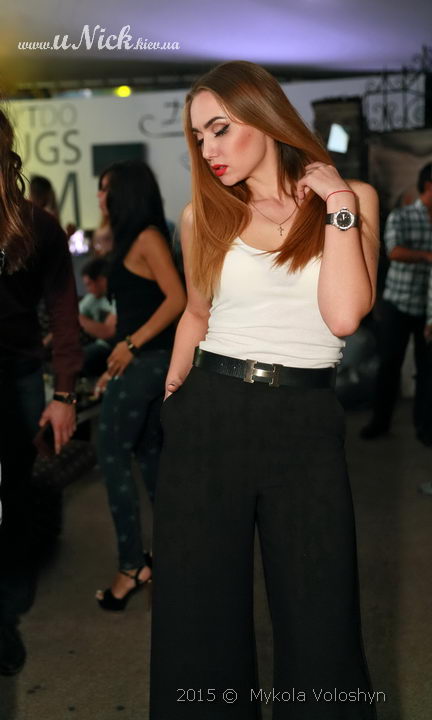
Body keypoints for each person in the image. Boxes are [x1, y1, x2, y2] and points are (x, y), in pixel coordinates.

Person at [149, 61, 379, 720]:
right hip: (210, 413)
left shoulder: (353, 199)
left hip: (305, 421)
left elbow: (344, 315)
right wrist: (173, 402)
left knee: (321, 610)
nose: (208, 149)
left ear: (266, 116)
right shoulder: (202, 216)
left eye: (219, 128)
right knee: (199, 617)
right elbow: (196, 315)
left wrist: (337, 204)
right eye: (199, 137)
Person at [0, 109, 82, 674]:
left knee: (15, 495)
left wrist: (66, 394)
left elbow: (64, 311)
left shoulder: (36, 226)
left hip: (19, 378)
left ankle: (7, 612)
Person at [94, 161, 186, 611]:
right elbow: (130, 311)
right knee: (149, 456)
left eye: (105, 189)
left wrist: (130, 345)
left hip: (149, 360)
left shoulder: (148, 237)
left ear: (126, 193)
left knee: (111, 454)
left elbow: (178, 298)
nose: (100, 197)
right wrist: (116, 360)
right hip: (142, 360)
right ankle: (177, 557)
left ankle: (132, 565)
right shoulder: (130, 238)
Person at [360, 162, 432, 444]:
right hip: (398, 304)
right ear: (428, 186)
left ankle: (424, 428)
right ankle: (380, 422)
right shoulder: (402, 216)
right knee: (389, 365)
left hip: (427, 309)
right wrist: (427, 257)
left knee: (427, 370)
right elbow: (394, 251)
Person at [79, 258, 117, 377]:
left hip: (113, 346)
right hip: (100, 344)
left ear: (100, 280)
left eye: (89, 284)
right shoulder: (92, 298)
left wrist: (78, 318)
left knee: (80, 358)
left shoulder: (116, 297)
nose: (88, 289)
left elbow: (108, 332)